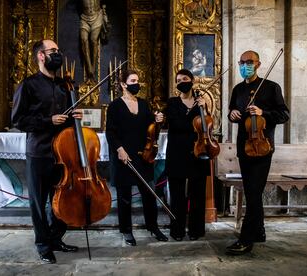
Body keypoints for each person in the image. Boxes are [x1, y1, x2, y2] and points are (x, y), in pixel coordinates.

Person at [11, 39, 83, 264]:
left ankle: (55, 238)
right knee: (38, 202)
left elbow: (69, 120)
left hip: (64, 155)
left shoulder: (66, 86)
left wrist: (76, 118)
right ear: (41, 56)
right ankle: (43, 245)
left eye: (59, 51)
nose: (58, 54)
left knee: (61, 201)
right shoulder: (28, 85)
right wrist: (47, 120)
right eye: (53, 51)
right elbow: (18, 120)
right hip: (39, 152)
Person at [225, 50, 289, 255]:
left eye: (249, 62)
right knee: (253, 193)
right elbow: (233, 113)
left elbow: (284, 114)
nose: (245, 65)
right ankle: (259, 231)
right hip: (244, 148)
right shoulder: (238, 89)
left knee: (252, 194)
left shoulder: (271, 88)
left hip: (263, 148)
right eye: (241, 62)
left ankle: (246, 239)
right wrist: (232, 114)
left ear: (258, 64)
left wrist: (264, 113)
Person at [106, 69, 168, 246]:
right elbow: (110, 132)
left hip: (143, 155)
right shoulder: (115, 106)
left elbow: (152, 130)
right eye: (133, 81)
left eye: (138, 80)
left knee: (149, 193)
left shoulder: (143, 103)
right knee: (124, 197)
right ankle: (126, 231)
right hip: (123, 156)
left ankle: (153, 227)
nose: (137, 84)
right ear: (123, 84)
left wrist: (158, 120)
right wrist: (119, 149)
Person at [165, 69, 210, 241]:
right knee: (177, 196)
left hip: (199, 151)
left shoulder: (201, 103)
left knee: (197, 194)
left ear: (192, 80)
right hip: (177, 153)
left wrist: (203, 108)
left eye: (185, 78)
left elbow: (209, 125)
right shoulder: (172, 103)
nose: (182, 81)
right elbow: (176, 124)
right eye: (178, 80)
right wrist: (193, 113)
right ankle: (177, 230)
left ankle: (196, 230)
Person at [80, 0, 107, 81]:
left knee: (93, 40)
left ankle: (93, 68)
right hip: (84, 18)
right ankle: (89, 69)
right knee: (84, 40)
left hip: (97, 16)